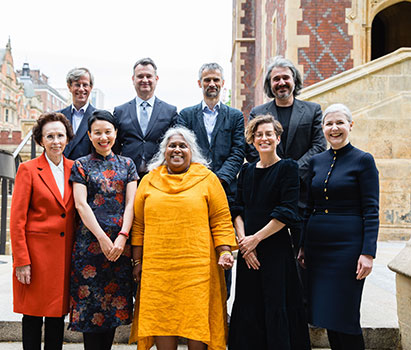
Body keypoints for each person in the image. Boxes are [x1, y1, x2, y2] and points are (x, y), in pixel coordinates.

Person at [130, 126, 237, 350]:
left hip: (197, 269)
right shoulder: (149, 180)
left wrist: (225, 251)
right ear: (164, 151)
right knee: (161, 320)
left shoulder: (207, 179)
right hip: (158, 269)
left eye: (182, 145)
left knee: (196, 320)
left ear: (192, 151)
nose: (176, 150)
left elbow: (220, 219)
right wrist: (137, 262)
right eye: (172, 145)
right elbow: (138, 224)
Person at [297, 104, 379, 350]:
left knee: (345, 315)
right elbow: (308, 207)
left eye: (340, 123)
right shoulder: (316, 161)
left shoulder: (364, 160)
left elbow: (371, 210)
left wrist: (368, 252)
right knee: (327, 315)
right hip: (318, 248)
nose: (334, 128)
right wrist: (302, 246)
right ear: (323, 128)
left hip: (348, 248)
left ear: (350, 126)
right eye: (329, 124)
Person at [228, 115, 311, 350]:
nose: (263, 138)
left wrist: (255, 240)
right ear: (252, 140)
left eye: (268, 134)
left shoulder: (288, 167)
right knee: (248, 306)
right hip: (248, 252)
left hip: (275, 250)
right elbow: (238, 208)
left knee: (276, 305)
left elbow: (286, 212)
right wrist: (244, 244)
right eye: (258, 134)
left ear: (278, 137)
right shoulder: (246, 171)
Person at [68, 110, 139, 350]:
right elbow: (80, 204)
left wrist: (122, 237)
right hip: (90, 246)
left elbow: (131, 203)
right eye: (97, 132)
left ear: (115, 133)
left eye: (108, 132)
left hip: (120, 247)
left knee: (111, 309)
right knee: (90, 311)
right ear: (89, 135)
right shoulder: (81, 165)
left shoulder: (127, 164)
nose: (103, 137)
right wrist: (102, 238)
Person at [178, 62, 244, 298]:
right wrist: (200, 182)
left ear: (223, 83)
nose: (212, 84)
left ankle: (222, 305)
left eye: (216, 80)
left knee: (222, 247)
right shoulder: (185, 115)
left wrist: (217, 181)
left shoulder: (235, 116)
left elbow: (238, 151)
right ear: (200, 84)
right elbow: (182, 151)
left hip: (225, 192)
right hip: (192, 194)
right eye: (207, 80)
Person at [246, 56, 326, 253]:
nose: (281, 82)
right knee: (272, 253)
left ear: (294, 80)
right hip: (268, 196)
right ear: (270, 84)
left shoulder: (312, 110)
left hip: (303, 195)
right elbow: (250, 147)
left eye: (285, 78)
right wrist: (273, 174)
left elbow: (318, 145)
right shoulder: (258, 112)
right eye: (276, 79)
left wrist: (289, 173)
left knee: (304, 256)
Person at [10, 112, 76, 350]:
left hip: (63, 255)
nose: (56, 141)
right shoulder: (28, 169)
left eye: (60, 135)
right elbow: (17, 219)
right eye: (50, 136)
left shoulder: (75, 168)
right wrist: (21, 260)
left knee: (57, 316)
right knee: (32, 315)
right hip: (36, 256)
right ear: (40, 140)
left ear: (67, 138)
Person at [113, 58, 178, 177]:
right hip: (127, 176)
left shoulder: (170, 111)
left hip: (160, 175)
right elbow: (115, 145)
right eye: (140, 76)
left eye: (149, 76)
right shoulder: (120, 111)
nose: (144, 80)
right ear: (133, 79)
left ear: (156, 79)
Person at [59, 67, 96, 160]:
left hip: (87, 172)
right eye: (77, 85)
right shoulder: (58, 117)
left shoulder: (99, 117)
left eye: (85, 85)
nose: (81, 89)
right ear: (69, 87)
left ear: (91, 87)